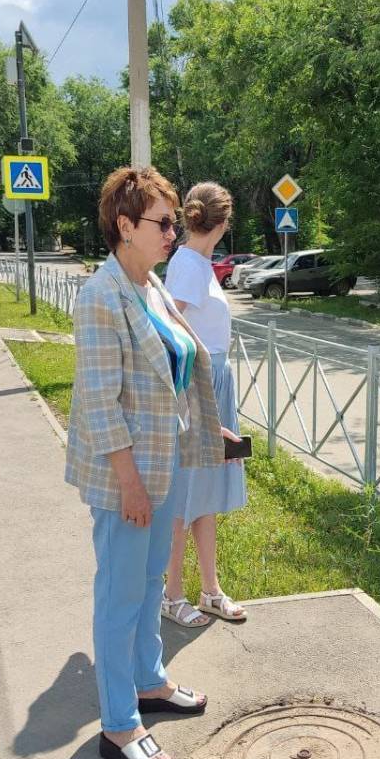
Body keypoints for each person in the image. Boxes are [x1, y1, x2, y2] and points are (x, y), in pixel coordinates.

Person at [65, 165, 239, 759]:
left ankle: (148, 681)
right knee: (119, 595)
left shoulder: (151, 285)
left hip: (164, 463)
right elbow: (99, 402)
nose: (172, 232)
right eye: (162, 223)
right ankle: (118, 724)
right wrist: (129, 483)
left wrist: (209, 429)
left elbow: (174, 370)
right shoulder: (101, 295)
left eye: (172, 223)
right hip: (127, 476)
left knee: (146, 585)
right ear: (124, 225)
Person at [160, 182, 249, 628]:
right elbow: (167, 328)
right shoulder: (189, 266)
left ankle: (210, 590)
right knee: (184, 494)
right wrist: (196, 394)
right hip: (200, 385)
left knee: (205, 492)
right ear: (223, 222)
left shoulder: (196, 263)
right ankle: (171, 594)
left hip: (213, 380)